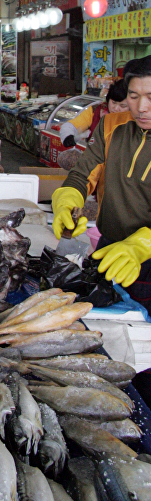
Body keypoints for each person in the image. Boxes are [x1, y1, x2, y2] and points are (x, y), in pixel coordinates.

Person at [52, 56, 151, 312]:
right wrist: (67, 200)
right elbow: (84, 173)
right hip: (110, 248)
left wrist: (142, 245)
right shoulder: (111, 125)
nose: (142, 108)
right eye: (133, 96)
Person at [60, 79, 129, 147]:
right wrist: (68, 136)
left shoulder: (135, 120)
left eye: (123, 106)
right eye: (113, 103)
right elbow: (72, 125)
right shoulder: (96, 110)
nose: (116, 108)